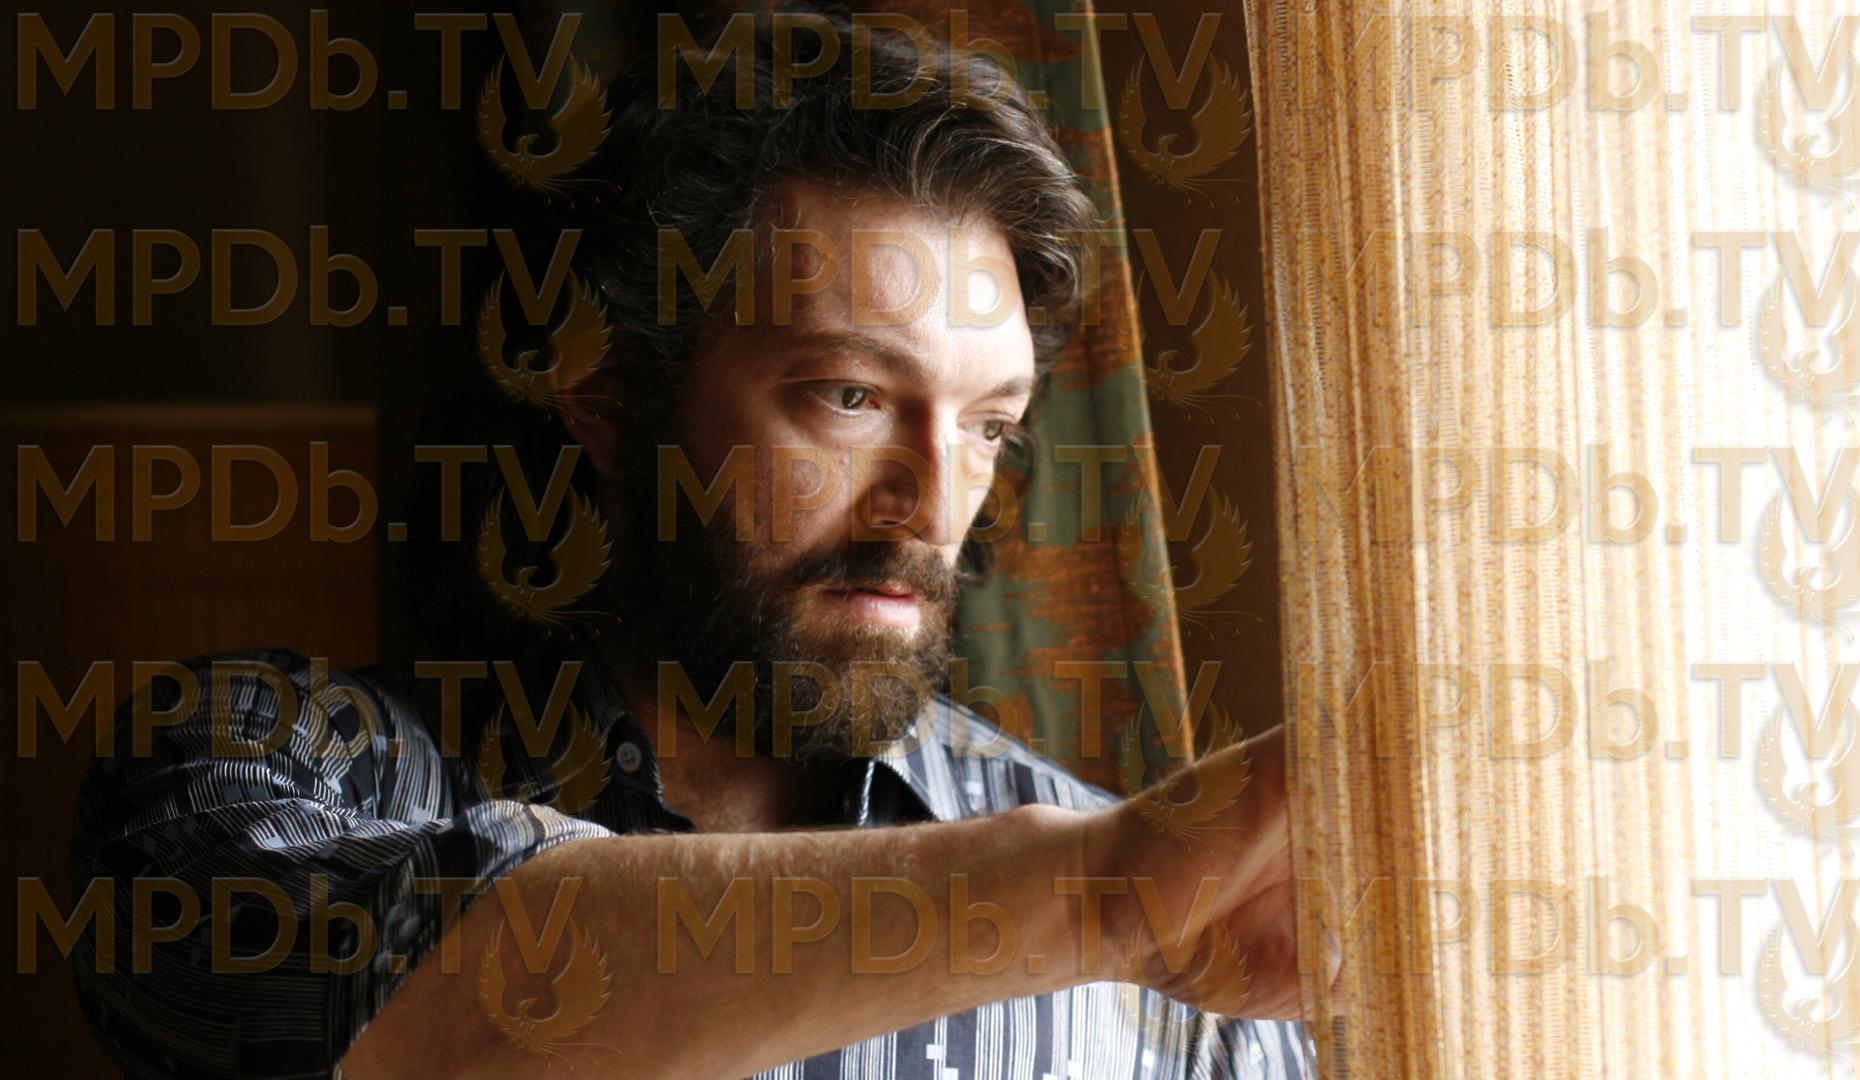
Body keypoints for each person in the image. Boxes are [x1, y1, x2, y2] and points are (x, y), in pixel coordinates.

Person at [70, 14, 1314, 1078]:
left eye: (989, 425)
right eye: (848, 396)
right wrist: (1092, 895)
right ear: (611, 394)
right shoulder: (257, 764)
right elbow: (411, 1016)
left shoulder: (1179, 950)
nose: (931, 505)